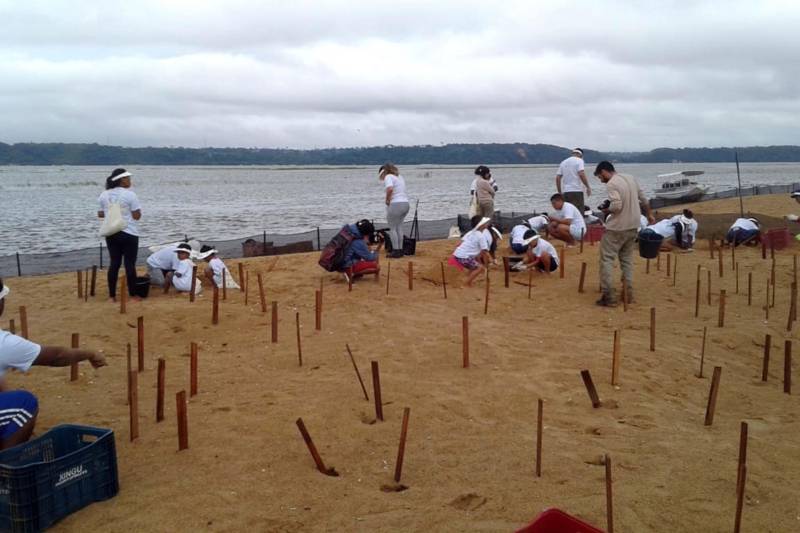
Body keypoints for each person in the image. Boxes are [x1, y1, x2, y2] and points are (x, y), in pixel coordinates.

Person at [0, 278, 106, 450]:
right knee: (24, 405)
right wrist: (90, 354)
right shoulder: (4, 343)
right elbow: (57, 357)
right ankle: (7, 465)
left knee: (11, 404)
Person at [593, 161, 654, 306]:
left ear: (604, 171)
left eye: (600, 177)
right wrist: (650, 214)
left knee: (606, 259)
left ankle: (609, 297)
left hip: (617, 228)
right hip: (633, 225)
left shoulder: (612, 184)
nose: (601, 180)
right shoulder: (630, 178)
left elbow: (617, 205)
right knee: (626, 260)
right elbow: (644, 199)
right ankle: (628, 294)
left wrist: (607, 210)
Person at [97, 168, 142, 301]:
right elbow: (136, 216)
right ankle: (133, 294)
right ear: (121, 180)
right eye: (127, 178)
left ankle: (112, 296)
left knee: (114, 263)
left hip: (111, 233)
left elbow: (100, 214)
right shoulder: (130, 195)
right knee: (129, 264)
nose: (129, 181)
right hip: (129, 232)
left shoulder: (103, 195)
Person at [379, 163, 410, 259]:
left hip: (396, 204)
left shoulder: (388, 176)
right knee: (399, 227)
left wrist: (387, 200)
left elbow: (390, 189)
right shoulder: (399, 177)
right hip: (405, 204)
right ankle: (400, 250)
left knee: (392, 228)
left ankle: (395, 251)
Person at [451, 216, 493, 286]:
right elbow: (484, 251)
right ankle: (467, 283)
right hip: (464, 257)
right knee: (479, 268)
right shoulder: (481, 236)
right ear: (481, 225)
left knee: (473, 266)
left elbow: (460, 243)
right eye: (486, 223)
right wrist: (485, 265)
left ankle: (467, 278)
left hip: (457, 254)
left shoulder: (471, 232)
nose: (487, 224)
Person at [555, 148, 591, 213]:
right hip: (577, 191)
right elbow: (581, 173)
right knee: (578, 213)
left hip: (566, 192)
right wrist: (588, 187)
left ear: (572, 153)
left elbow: (558, 178)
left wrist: (560, 192)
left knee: (568, 213)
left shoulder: (563, 162)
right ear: (581, 155)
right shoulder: (579, 160)